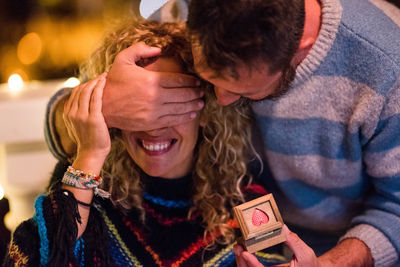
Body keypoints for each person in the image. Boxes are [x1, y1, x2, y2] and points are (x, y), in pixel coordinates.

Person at [60, 0, 399, 266]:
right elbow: (52, 249)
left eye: (244, 92)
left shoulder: (386, 62)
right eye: (203, 86)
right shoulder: (92, 188)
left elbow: (394, 210)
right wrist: (103, 105)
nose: (218, 101)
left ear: (299, 49)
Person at [3, 20, 288, 266]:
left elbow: (275, 259)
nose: (153, 128)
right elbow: (34, 258)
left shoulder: (251, 202)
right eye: (137, 109)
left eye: (170, 106)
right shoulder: (85, 188)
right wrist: (90, 152)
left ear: (206, 109)